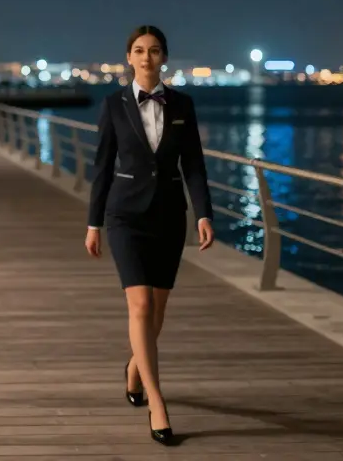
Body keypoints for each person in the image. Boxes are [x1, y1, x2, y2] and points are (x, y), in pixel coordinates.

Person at [84, 24, 215, 447]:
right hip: (124, 216)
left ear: (164, 58)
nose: (146, 58)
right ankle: (158, 402)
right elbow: (102, 167)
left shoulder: (182, 104)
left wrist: (203, 214)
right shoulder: (113, 105)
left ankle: (134, 369)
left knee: (157, 311)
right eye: (139, 51)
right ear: (128, 57)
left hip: (169, 217)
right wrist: (94, 222)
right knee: (139, 303)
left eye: (154, 51)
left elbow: (193, 164)